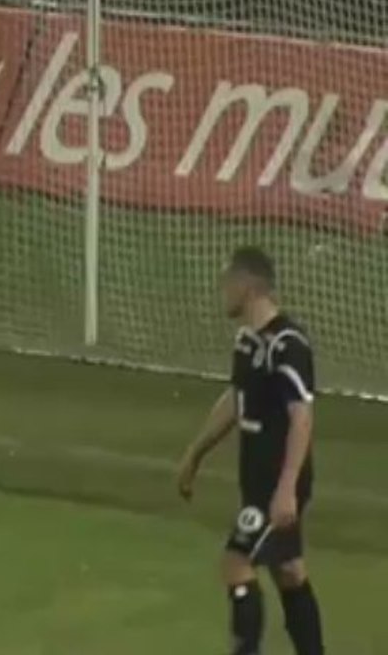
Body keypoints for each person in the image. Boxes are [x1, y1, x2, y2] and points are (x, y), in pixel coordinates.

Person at [177, 246, 325, 655]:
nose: (223, 290)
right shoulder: (247, 343)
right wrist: (195, 453)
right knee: (289, 571)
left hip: (277, 482)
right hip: (257, 478)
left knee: (235, 561)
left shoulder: (288, 344)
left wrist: (287, 489)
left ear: (249, 285)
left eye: (229, 282)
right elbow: (235, 400)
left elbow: (302, 418)